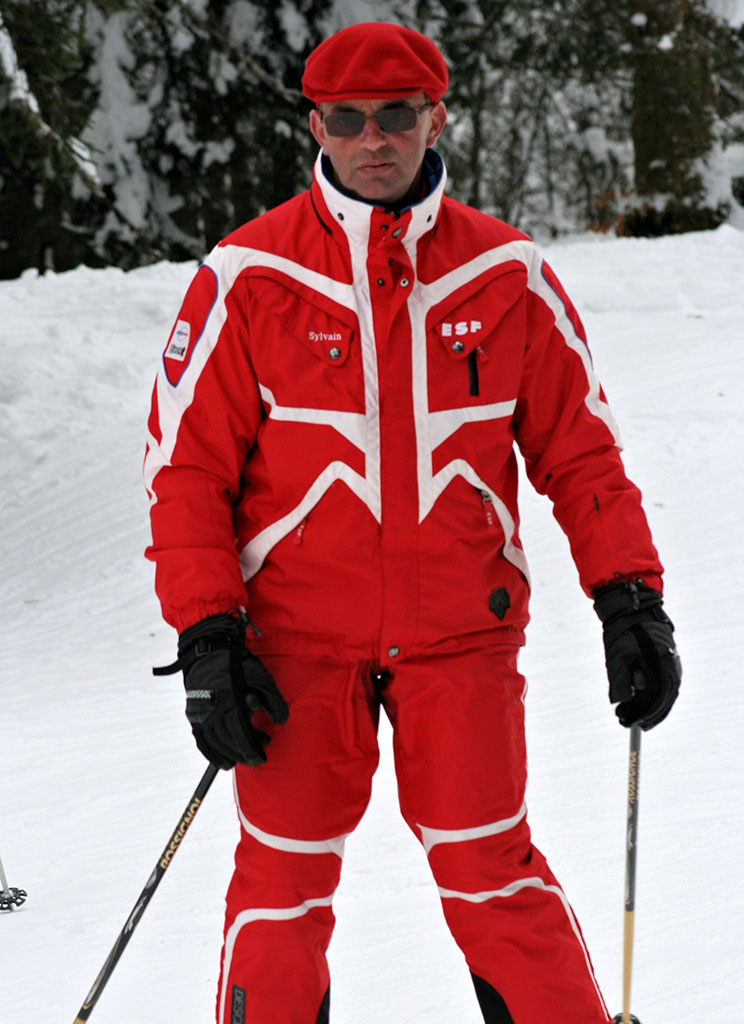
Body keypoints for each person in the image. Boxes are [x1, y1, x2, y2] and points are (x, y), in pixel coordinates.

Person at [144, 21, 681, 1024]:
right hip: (294, 645)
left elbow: (581, 454)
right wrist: (209, 634)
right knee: (282, 882)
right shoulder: (246, 276)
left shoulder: (506, 273)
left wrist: (631, 598)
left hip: (459, 637)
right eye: (347, 119)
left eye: (397, 115)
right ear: (317, 124)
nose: (373, 139)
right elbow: (184, 475)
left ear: (439, 116)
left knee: (493, 871)